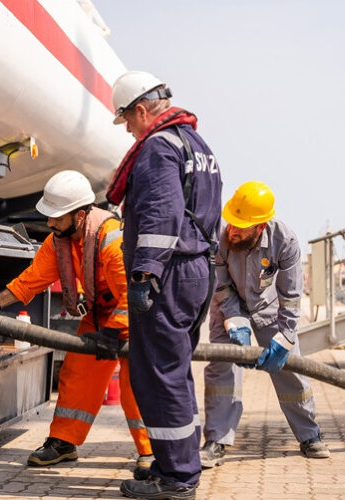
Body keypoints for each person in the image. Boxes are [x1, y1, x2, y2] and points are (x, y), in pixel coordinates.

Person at [0, 170, 153, 479]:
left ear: (80, 215)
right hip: (100, 316)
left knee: (135, 387)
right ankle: (64, 442)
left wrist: (113, 333)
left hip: (137, 319)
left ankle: (151, 452)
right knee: (76, 375)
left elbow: (131, 294)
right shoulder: (60, 241)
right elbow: (31, 280)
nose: (49, 223)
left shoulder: (113, 241)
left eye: (56, 217)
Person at [106, 70, 222, 499]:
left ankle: (178, 480)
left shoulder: (157, 146)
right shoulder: (197, 143)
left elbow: (160, 215)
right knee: (174, 373)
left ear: (140, 109)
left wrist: (144, 274)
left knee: (159, 376)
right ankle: (173, 461)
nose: (129, 130)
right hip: (196, 271)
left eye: (127, 120)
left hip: (170, 274)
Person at [200, 181, 330, 469]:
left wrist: (285, 338)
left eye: (241, 227)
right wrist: (235, 323)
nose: (233, 231)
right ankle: (216, 440)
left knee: (291, 370)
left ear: (260, 227)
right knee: (221, 368)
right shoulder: (220, 238)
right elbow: (220, 286)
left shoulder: (285, 241)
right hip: (227, 307)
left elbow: (291, 296)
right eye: (232, 223)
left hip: (270, 311)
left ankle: (310, 436)